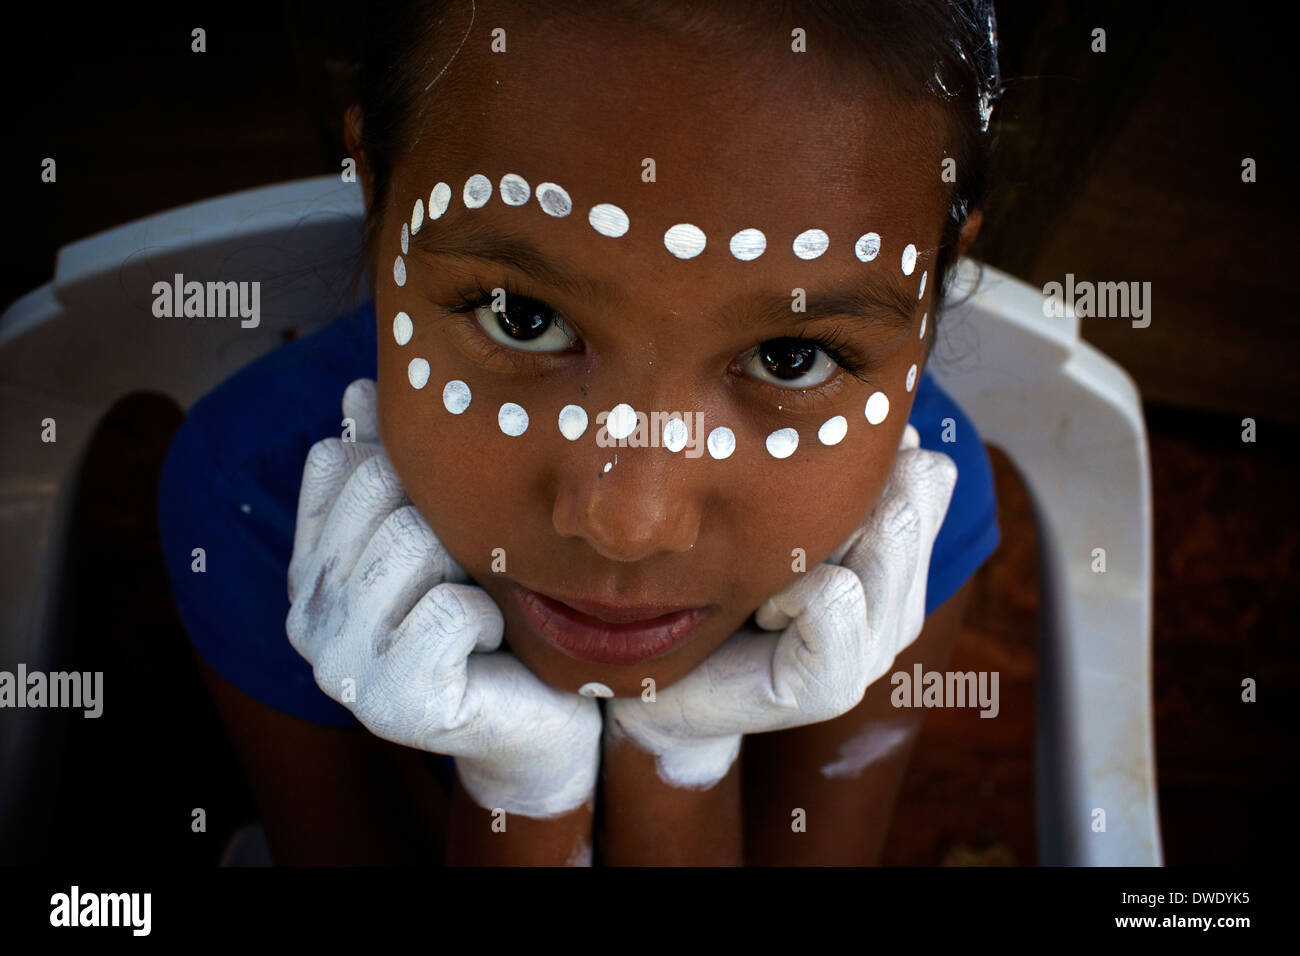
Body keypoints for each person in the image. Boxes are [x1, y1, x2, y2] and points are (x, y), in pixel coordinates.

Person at [158, 0, 1003, 865]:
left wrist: (680, 755)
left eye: (790, 358)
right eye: (521, 318)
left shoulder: (916, 523)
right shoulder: (252, 496)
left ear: (940, 277)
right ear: (376, 189)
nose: (629, 523)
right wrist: (524, 786)